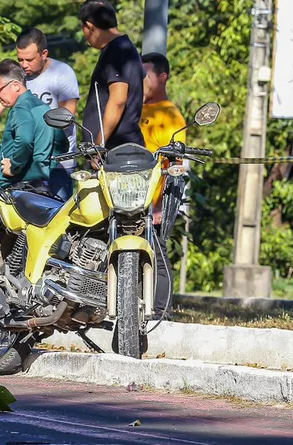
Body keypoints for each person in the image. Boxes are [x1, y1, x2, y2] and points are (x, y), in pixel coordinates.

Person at [0, 27, 80, 197]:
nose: (24, 64)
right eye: (20, 59)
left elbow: (65, 118)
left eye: (29, 59)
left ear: (44, 54)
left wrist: (34, 157)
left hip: (56, 163)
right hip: (25, 167)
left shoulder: (61, 73)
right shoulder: (16, 79)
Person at [140, 52, 188, 316]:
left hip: (154, 199)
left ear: (162, 77)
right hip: (129, 195)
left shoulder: (169, 116)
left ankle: (161, 312)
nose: (142, 81)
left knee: (157, 253)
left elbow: (174, 164)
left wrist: (160, 205)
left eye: (146, 75)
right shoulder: (136, 107)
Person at [0, 60, 71, 193]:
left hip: (19, 188)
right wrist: (43, 165)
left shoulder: (20, 108)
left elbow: (24, 140)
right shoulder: (42, 106)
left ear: (15, 86)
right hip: (41, 185)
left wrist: (14, 167)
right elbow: (62, 144)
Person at [78, 1, 145, 148]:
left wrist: (99, 145)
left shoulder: (118, 51)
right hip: (117, 150)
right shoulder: (121, 48)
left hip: (118, 152)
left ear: (89, 27)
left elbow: (118, 100)